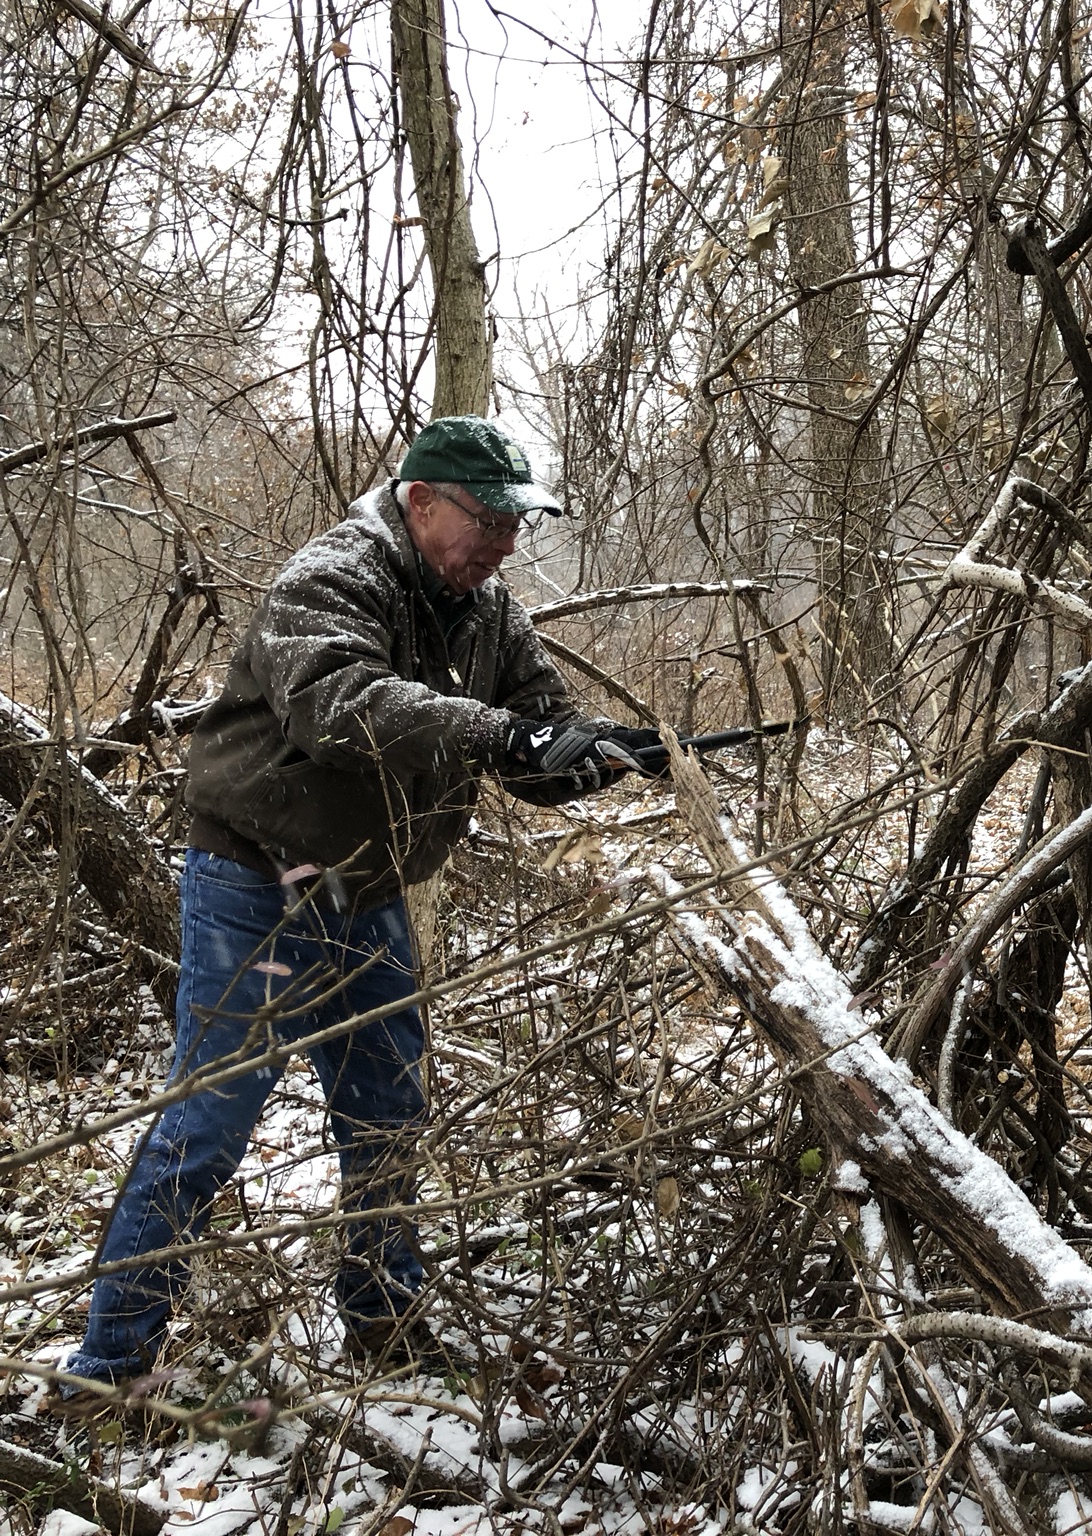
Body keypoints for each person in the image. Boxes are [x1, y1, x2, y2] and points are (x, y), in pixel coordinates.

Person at [58, 417, 666, 1404]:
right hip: (255, 879)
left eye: (519, 524)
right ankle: (106, 1366)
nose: (507, 542)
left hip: (366, 886)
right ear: (421, 501)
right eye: (491, 520)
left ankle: (383, 1321)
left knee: (388, 1110)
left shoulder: (488, 607)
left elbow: (531, 743)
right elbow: (339, 705)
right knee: (208, 1123)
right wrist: (505, 733)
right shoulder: (334, 573)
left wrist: (593, 753)